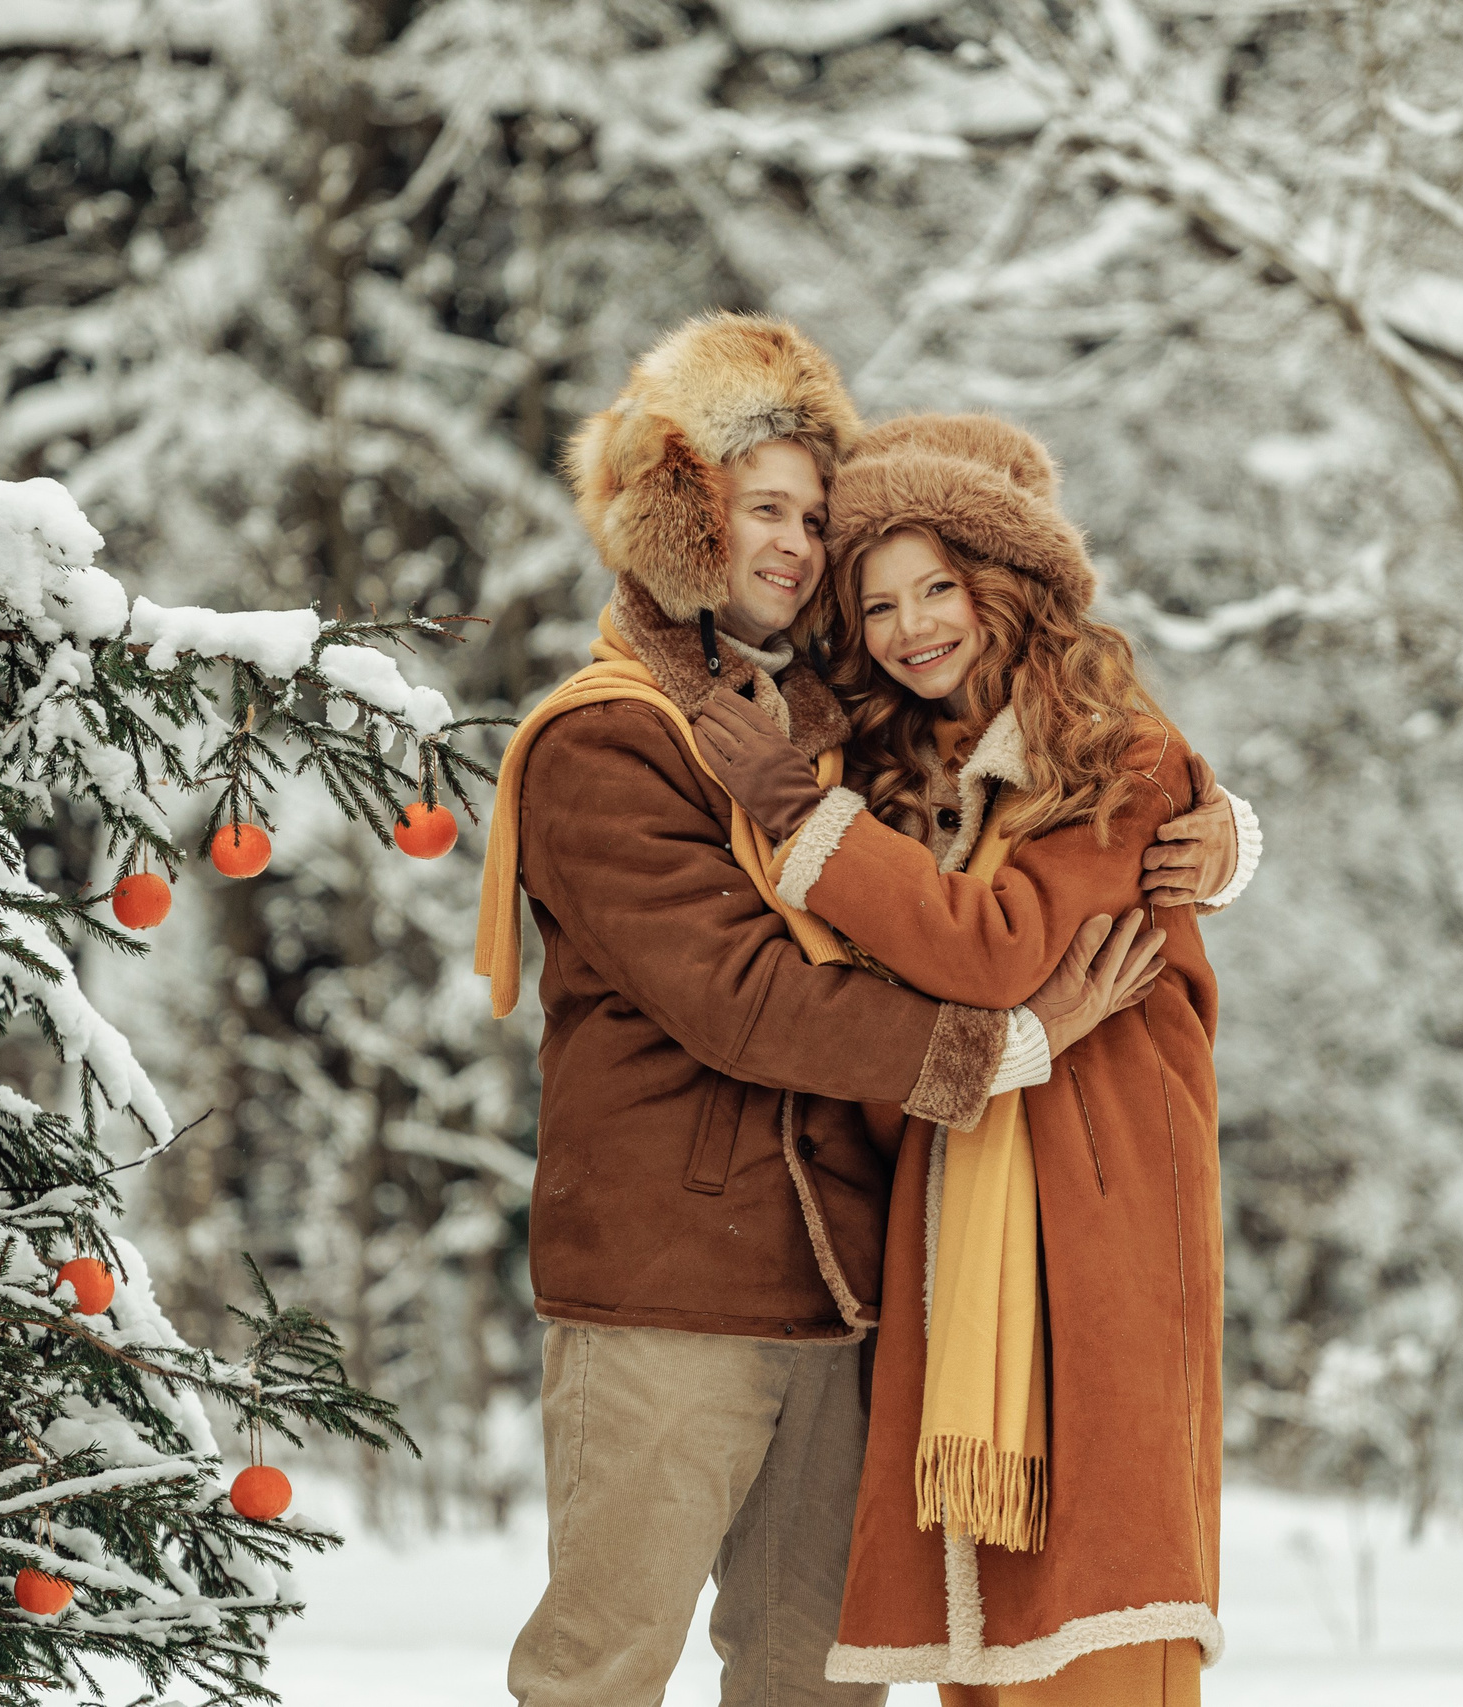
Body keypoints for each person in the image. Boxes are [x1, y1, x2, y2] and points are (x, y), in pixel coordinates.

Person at [475, 318, 1250, 1707]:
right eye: (760, 507)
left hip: (842, 1292)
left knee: (815, 1681)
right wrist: (1007, 1048)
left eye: (810, 516)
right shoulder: (611, 736)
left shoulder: (827, 725)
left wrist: (1218, 828)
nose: (791, 543)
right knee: (601, 1672)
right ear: (685, 514)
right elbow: (742, 996)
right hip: (673, 1289)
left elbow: (1023, 784)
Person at [694, 412, 1237, 1705]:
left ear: (1009, 586)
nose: (911, 626)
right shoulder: (909, 778)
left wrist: (796, 811)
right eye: (878, 602)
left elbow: (995, 951)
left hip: (1093, 1228)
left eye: (940, 586)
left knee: (1097, 1613)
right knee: (982, 1631)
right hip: (956, 1223)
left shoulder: (1122, 758)